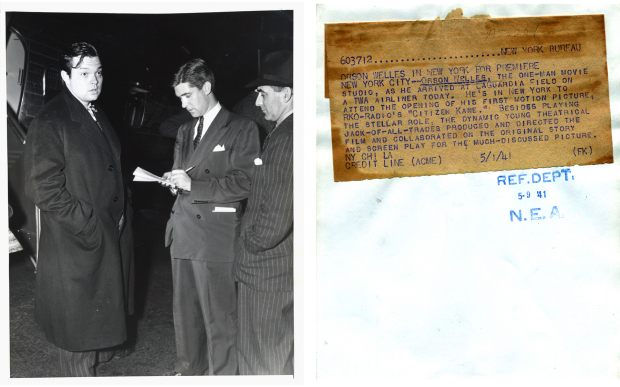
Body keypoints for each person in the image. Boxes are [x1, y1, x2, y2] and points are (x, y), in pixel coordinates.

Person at [23, 42, 134, 377]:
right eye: (84, 73)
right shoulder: (53, 118)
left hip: (103, 237)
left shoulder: (94, 112)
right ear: (65, 77)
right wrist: (86, 223)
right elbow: (43, 187)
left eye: (98, 72)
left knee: (93, 329)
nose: (94, 80)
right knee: (77, 337)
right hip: (78, 242)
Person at [162, 58, 261, 375]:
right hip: (183, 232)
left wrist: (194, 185)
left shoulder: (242, 128)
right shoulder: (184, 130)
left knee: (219, 318)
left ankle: (221, 377)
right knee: (185, 315)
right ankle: (190, 371)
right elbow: (185, 176)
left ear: (206, 87)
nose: (183, 103)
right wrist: (174, 183)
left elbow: (246, 182)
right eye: (179, 97)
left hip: (215, 237)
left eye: (188, 95)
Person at [234, 50, 294, 375]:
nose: (257, 103)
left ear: (287, 93)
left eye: (263, 94)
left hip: (267, 275)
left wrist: (248, 241)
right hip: (283, 271)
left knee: (260, 363)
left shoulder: (287, 139)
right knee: (279, 358)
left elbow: (274, 221)